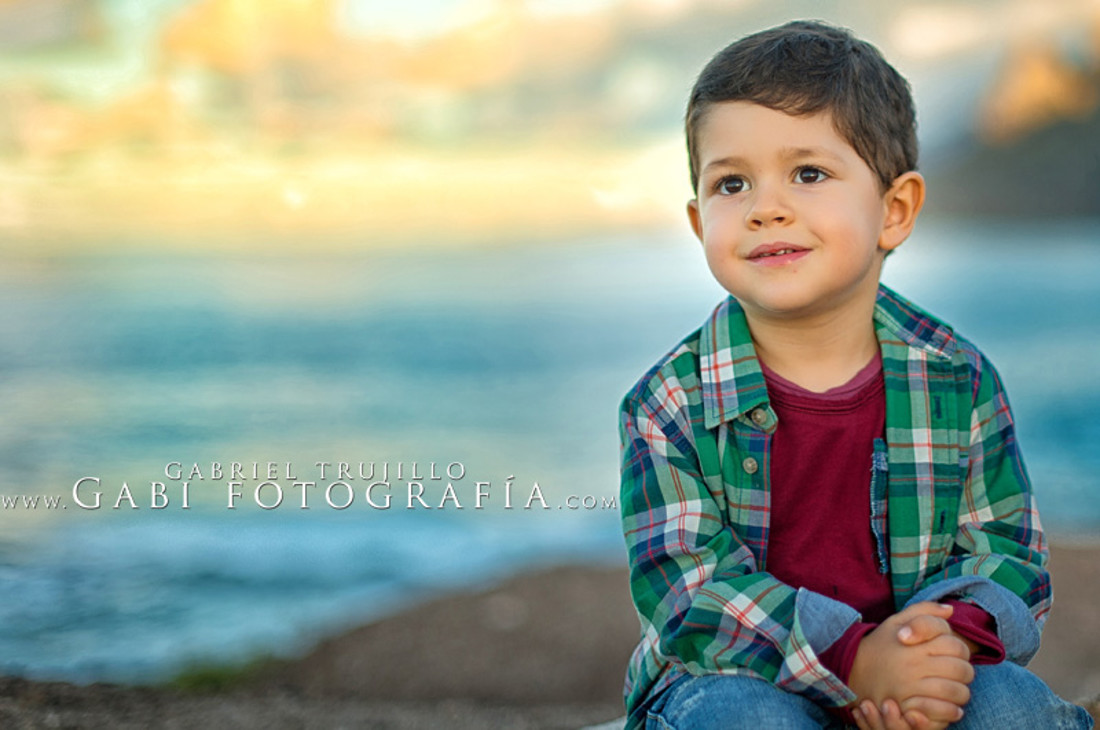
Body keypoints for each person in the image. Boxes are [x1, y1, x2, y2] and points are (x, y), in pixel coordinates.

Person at [617, 20, 1093, 730]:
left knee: (1009, 708)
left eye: (808, 174)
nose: (764, 206)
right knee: (738, 719)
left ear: (893, 212)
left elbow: (1008, 553)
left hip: (916, 671)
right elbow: (687, 592)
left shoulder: (956, 378)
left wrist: (935, 645)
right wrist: (850, 654)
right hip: (739, 677)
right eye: (731, 183)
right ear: (696, 222)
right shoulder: (668, 404)